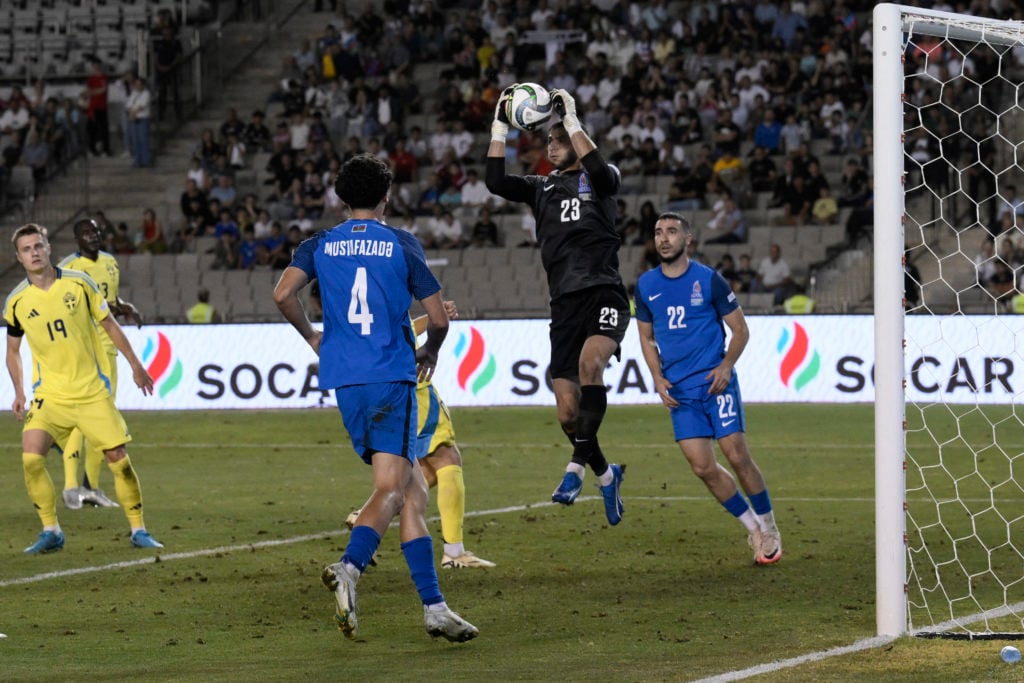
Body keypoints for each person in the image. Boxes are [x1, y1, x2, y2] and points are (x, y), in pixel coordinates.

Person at [272, 154, 478, 642]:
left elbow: (282, 295)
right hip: (391, 375)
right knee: (391, 488)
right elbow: (441, 319)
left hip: (345, 380)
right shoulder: (401, 243)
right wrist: (430, 348)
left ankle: (435, 607)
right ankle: (349, 567)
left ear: (342, 199)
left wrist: (315, 338)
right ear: (387, 195)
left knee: (413, 491)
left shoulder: (319, 244)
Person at [485, 85, 628, 525]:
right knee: (568, 412)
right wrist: (499, 124)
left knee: (590, 368)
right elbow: (494, 181)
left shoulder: (602, 178)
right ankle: (607, 475)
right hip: (563, 303)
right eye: (548, 139)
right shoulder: (540, 187)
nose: (552, 144)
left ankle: (573, 470)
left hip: (604, 291)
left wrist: (572, 120)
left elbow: (601, 174)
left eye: (559, 138)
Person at [4, 223, 163, 553]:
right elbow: (13, 350)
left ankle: (139, 530)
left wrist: (136, 365)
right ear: (18, 257)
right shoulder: (16, 301)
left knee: (118, 460)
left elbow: (110, 324)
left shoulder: (79, 283)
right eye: (26, 249)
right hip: (50, 396)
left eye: (38, 246)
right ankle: (51, 531)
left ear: (48, 248)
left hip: (91, 392)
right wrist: (19, 391)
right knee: (32, 459)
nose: (33, 253)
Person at [634, 212, 782, 565]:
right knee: (702, 467)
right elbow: (645, 337)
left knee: (735, 454)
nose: (664, 238)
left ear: (689, 239)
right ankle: (753, 529)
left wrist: (726, 365)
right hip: (680, 392)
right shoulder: (645, 285)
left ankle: (770, 525)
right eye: (658, 232)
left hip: (715, 383)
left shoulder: (709, 280)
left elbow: (741, 330)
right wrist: (656, 378)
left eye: (671, 231)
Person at [345, 300, 495, 569]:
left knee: (418, 475)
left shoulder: (358, 310)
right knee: (447, 459)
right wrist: (435, 318)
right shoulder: (381, 294)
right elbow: (401, 332)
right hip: (414, 393)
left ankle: (365, 516)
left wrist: (430, 317)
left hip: (385, 392)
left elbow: (405, 329)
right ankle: (454, 552)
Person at [55, 218, 143, 510]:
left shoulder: (109, 262)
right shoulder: (68, 269)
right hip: (85, 350)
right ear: (77, 239)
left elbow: (107, 301)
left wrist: (125, 307)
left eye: (95, 231)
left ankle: (89, 487)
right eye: (86, 233)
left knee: (103, 415)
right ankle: (72, 485)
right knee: (88, 413)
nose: (93, 235)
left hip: (109, 347)